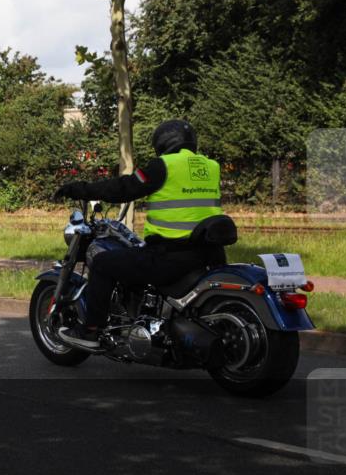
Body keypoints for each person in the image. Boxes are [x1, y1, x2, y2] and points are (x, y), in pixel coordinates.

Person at [53, 120, 224, 350]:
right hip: (209, 254)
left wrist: (81, 189)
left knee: (103, 263)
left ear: (162, 142)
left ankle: (90, 331)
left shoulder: (164, 165)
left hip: (170, 257)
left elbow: (124, 188)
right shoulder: (212, 166)